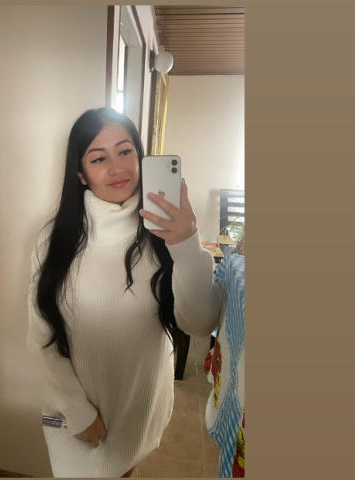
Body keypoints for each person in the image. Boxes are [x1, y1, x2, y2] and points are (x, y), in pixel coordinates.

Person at [26, 107, 223, 477]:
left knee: (126, 470)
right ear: (81, 173)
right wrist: (78, 412)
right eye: (99, 158)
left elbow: (199, 324)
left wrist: (187, 244)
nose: (117, 167)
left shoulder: (164, 233)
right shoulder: (54, 238)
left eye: (125, 151)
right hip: (74, 416)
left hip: (140, 410)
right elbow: (41, 334)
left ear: (140, 156)